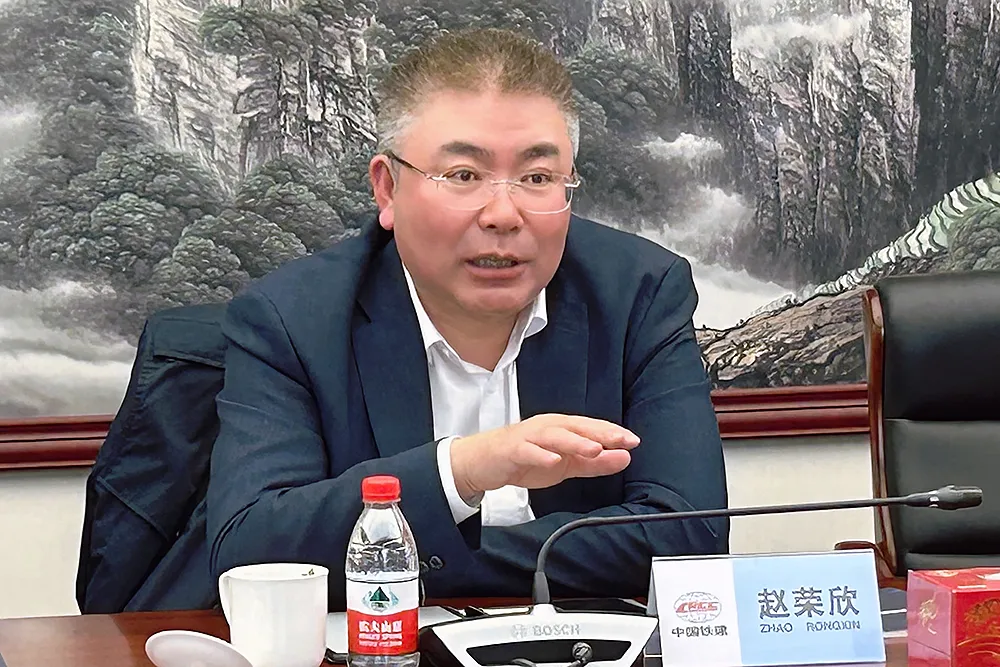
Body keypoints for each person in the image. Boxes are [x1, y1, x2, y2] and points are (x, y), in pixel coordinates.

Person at [205, 27, 729, 610]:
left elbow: (689, 536)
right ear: (387, 189)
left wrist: (430, 562)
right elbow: (252, 552)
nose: (503, 214)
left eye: (537, 178)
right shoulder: (291, 319)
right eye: (464, 176)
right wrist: (464, 470)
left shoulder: (639, 294)